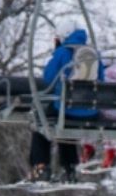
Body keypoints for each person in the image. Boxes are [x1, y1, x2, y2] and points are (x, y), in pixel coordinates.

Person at [29, 19, 105, 183]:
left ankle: (41, 167)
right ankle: (69, 170)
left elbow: (48, 78)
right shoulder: (94, 54)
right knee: (68, 120)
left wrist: (57, 54)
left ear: (63, 36)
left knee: (41, 119)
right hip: (91, 112)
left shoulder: (63, 52)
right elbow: (102, 81)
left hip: (67, 109)